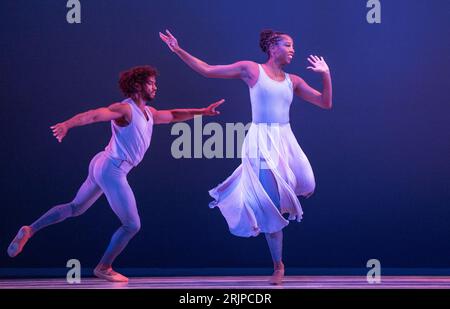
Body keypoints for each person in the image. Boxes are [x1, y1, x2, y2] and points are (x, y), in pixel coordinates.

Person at [7, 65, 224, 283]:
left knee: (75, 208)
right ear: (138, 86)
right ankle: (104, 267)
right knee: (132, 225)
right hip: (113, 169)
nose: (156, 87)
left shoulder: (149, 113)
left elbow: (174, 114)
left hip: (103, 163)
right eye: (151, 83)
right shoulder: (125, 109)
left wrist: (203, 112)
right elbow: (94, 115)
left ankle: (30, 229)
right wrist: (67, 124)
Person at [160, 29, 332, 285]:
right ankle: (278, 265)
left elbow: (325, 103)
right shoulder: (251, 70)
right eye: (288, 45)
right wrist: (177, 49)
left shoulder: (292, 80)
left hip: (285, 138)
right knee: (269, 205)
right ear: (273, 48)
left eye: (293, 45)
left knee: (308, 183)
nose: (293, 49)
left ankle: (272, 193)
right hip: (261, 140)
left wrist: (326, 74)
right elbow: (208, 70)